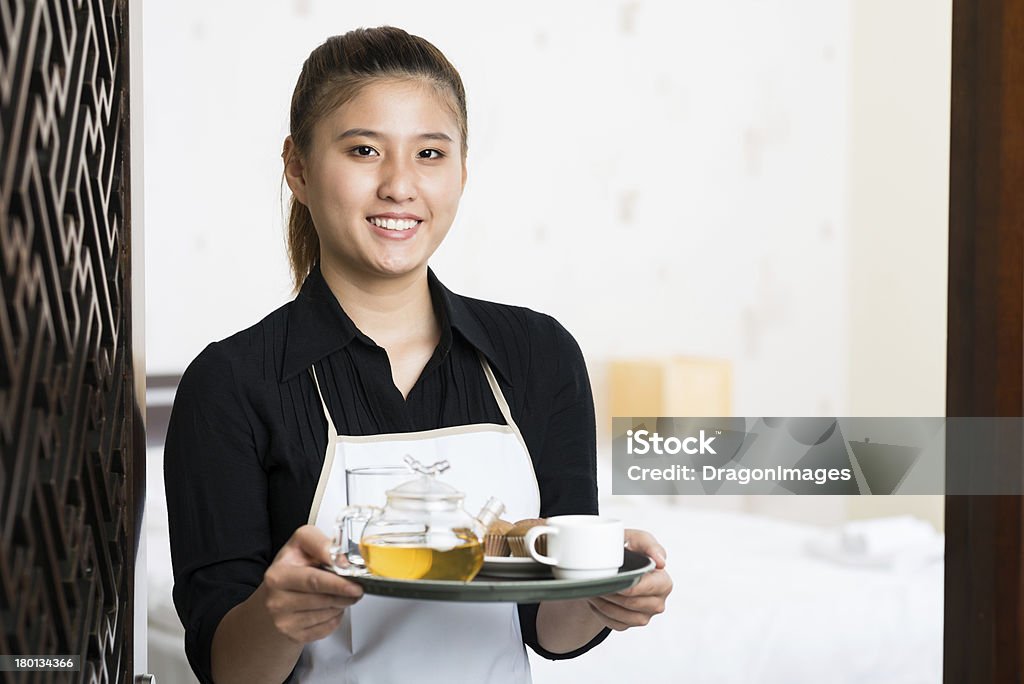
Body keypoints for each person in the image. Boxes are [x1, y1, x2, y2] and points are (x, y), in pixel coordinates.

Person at [164, 26, 673, 684]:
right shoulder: (232, 383)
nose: (400, 185)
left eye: (430, 153)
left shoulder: (538, 355)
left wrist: (607, 598)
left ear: (462, 169)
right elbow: (227, 667)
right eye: (364, 150)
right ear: (297, 167)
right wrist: (277, 612)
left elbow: (549, 626)